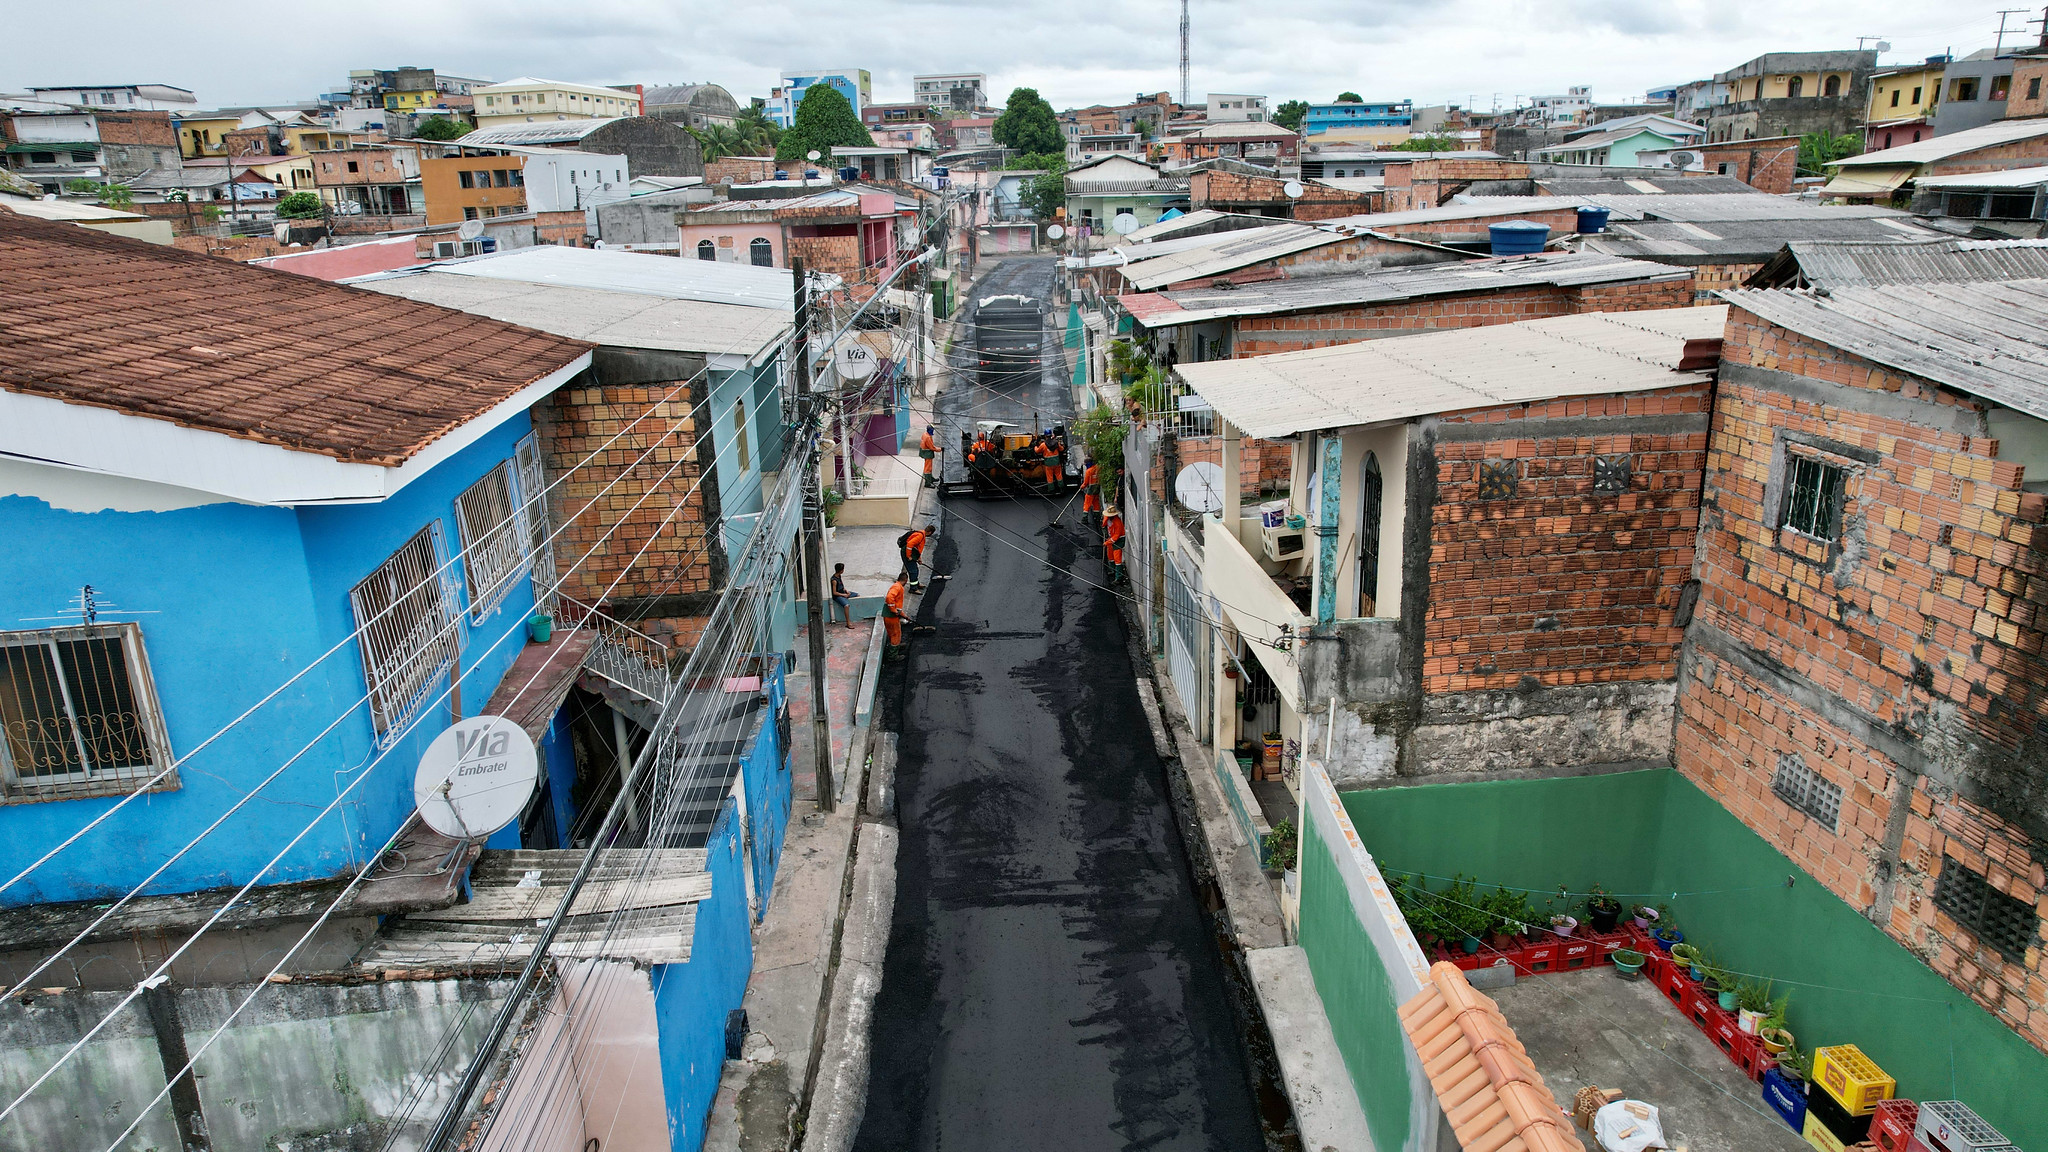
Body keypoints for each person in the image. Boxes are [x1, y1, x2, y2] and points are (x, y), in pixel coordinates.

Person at [900, 522, 933, 589]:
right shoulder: (920, 536)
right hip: (907, 552)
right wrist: (908, 556)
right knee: (913, 571)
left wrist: (919, 558)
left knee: (915, 570)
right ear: (929, 532)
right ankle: (913, 588)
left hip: (912, 553)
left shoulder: (922, 534)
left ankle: (917, 584)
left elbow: (917, 549)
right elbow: (909, 545)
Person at [882, 572, 907, 656]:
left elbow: (897, 605)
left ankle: (897, 646)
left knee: (894, 633)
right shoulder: (897, 587)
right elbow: (889, 597)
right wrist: (893, 610)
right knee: (895, 634)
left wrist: (903, 615)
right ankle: (893, 656)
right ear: (906, 580)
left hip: (890, 616)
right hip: (891, 616)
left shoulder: (897, 586)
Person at [1103, 506, 1126, 584]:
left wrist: (1107, 542)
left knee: (1117, 558)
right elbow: (1104, 524)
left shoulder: (1117, 523)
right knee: (1110, 555)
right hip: (1110, 538)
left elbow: (1116, 536)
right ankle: (1112, 569)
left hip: (1119, 540)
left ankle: (1119, 577)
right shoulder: (1107, 518)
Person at [828, 562, 854, 627]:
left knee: (856, 594)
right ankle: (848, 622)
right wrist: (844, 595)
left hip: (842, 592)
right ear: (841, 570)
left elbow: (841, 586)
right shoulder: (834, 580)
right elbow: (834, 592)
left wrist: (846, 591)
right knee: (846, 605)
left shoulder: (839, 576)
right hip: (838, 596)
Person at [1081, 457, 1101, 525]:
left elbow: (1086, 483)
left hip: (1091, 489)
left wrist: (1082, 486)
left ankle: (1084, 518)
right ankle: (1097, 517)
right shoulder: (1098, 468)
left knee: (1087, 503)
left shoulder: (1088, 471)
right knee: (1096, 502)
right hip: (1097, 488)